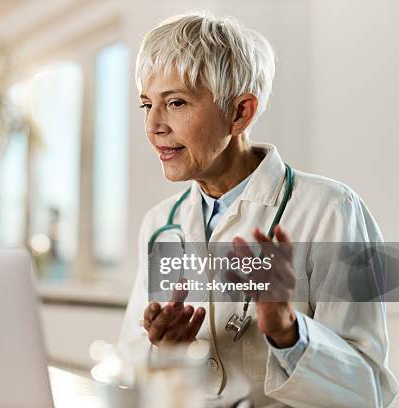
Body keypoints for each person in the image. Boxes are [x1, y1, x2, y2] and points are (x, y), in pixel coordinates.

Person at [119, 10, 398, 407]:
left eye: (176, 102)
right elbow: (132, 370)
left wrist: (288, 333)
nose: (154, 126)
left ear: (240, 112)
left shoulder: (334, 211)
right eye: (147, 104)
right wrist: (165, 351)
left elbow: (369, 391)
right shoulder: (160, 226)